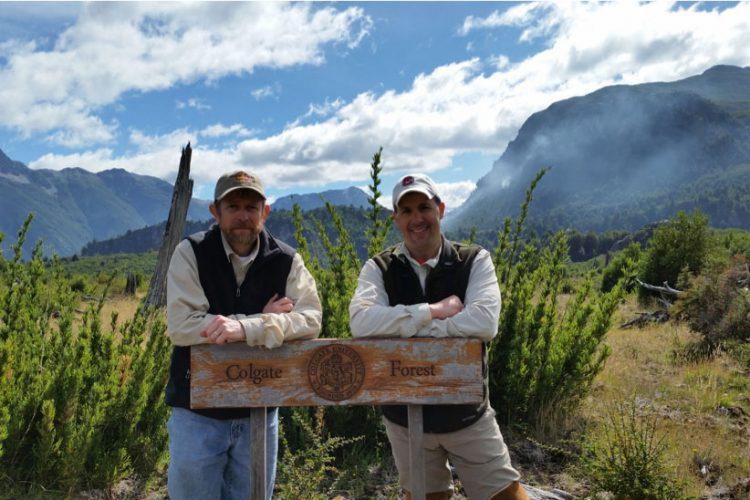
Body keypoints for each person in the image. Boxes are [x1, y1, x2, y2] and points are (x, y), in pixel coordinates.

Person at [349, 174, 528, 500]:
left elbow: (485, 323)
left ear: (440, 209)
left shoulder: (474, 260)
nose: (417, 218)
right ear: (396, 219)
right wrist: (433, 312)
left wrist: (404, 330)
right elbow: (361, 323)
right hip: (404, 422)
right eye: (406, 211)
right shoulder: (378, 267)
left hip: (467, 416)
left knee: (506, 495)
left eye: (424, 207)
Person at [165, 170, 322, 500]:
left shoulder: (287, 260)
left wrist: (245, 327)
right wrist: (264, 320)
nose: (242, 215)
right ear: (215, 211)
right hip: (195, 411)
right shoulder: (190, 253)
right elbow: (180, 326)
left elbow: (311, 320)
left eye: (251, 207)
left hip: (259, 412)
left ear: (265, 212)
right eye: (233, 205)